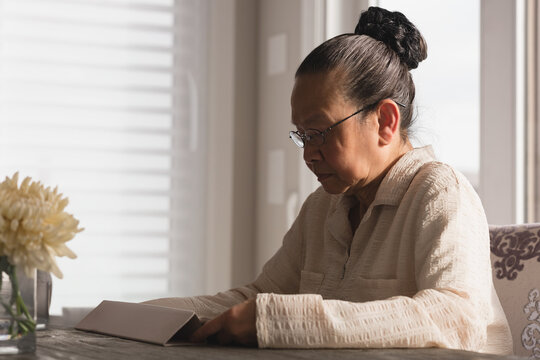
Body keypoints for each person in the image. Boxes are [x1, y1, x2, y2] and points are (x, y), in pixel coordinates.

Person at [144, 6, 512, 354]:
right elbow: (261, 296)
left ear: (385, 122)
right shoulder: (324, 205)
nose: (308, 153)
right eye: (301, 135)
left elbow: (456, 319)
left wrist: (281, 320)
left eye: (319, 132)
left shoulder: (441, 193)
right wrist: (145, 315)